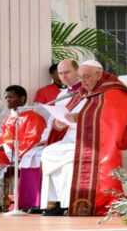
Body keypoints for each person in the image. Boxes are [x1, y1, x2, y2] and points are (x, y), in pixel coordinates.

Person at [40, 60, 127, 216]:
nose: (83, 81)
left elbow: (111, 118)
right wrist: (60, 125)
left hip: (104, 140)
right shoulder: (85, 91)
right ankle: (55, 203)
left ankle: (70, 203)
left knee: (68, 156)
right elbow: (72, 116)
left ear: (99, 74)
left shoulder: (114, 91)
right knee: (50, 151)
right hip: (79, 138)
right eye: (81, 77)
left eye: (86, 77)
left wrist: (80, 118)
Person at [18, 59, 81, 214]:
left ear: (77, 71)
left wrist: (75, 121)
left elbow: (94, 116)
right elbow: (54, 119)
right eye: (60, 73)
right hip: (66, 136)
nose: (63, 76)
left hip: (81, 137)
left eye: (67, 72)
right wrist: (56, 127)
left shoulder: (86, 92)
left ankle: (66, 203)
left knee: (62, 156)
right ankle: (51, 202)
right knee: (47, 152)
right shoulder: (63, 94)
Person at [0, 85, 46, 211]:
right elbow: (0, 139)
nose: (7, 100)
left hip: (21, 154)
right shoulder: (9, 119)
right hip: (8, 152)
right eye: (6, 97)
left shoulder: (32, 117)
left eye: (11, 97)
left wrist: (5, 146)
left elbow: (32, 141)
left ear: (22, 99)